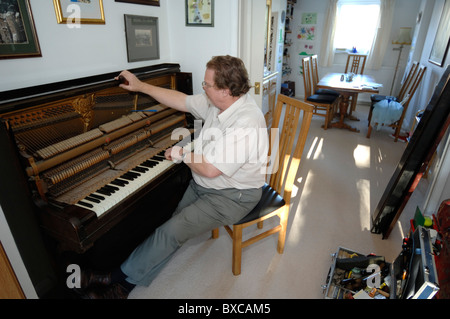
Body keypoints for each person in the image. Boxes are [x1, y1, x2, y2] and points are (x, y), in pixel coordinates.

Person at [81, 55, 269, 299]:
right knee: (171, 232)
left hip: (233, 196)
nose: (203, 88)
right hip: (206, 185)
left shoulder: (246, 122)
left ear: (224, 89)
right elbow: (182, 100)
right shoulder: (221, 102)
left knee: (169, 232)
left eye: (207, 85)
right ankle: (123, 290)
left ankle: (111, 278)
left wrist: (181, 153)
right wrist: (139, 86)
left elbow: (211, 169)